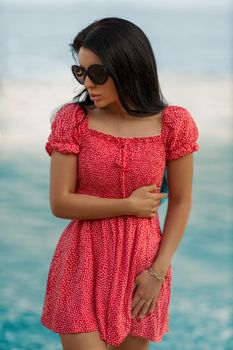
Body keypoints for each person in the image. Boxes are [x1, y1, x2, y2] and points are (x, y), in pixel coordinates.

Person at [40, 17, 199, 350]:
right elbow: (61, 202)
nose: (89, 83)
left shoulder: (173, 124)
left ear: (127, 67)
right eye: (81, 73)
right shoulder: (74, 120)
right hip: (82, 262)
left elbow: (182, 201)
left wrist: (157, 273)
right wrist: (127, 205)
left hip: (143, 267)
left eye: (98, 73)